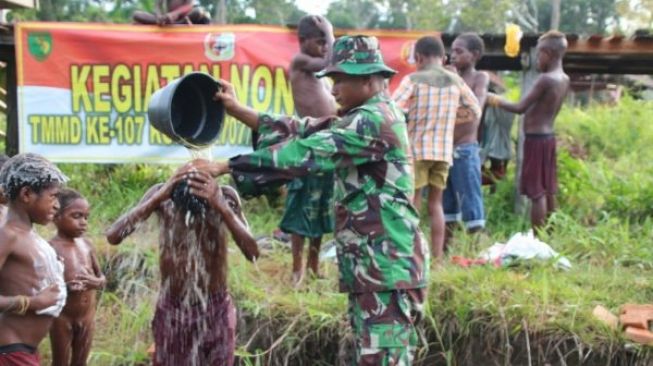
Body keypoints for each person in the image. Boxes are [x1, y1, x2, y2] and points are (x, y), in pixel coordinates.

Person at [198, 35, 429, 365]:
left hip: (388, 273)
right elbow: (301, 129)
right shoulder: (365, 115)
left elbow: (304, 153)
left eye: (340, 80)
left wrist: (225, 166)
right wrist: (238, 110)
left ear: (367, 78)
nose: (332, 89)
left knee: (386, 359)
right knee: (373, 357)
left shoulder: (372, 121)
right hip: (376, 271)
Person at [105, 165, 259, 366]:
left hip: (215, 306)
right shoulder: (162, 195)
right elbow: (114, 236)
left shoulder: (225, 196)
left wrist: (221, 206)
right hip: (173, 307)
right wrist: (157, 198)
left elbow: (253, 253)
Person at [392, 36, 479, 259]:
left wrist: (408, 119)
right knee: (436, 205)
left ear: (419, 58)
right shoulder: (456, 81)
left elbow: (393, 109)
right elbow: (475, 109)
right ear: (443, 58)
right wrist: (452, 118)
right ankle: (438, 258)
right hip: (443, 153)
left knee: (414, 203)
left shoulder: (413, 79)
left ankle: (413, 255)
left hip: (417, 151)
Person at [488, 30, 570, 232]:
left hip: (535, 140)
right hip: (548, 138)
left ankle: (538, 240)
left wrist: (493, 99)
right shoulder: (564, 78)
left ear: (548, 53)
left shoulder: (546, 80)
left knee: (536, 192)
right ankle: (550, 235)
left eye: (539, 55)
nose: (537, 60)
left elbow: (520, 107)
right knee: (548, 189)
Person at [283, 14, 337, 285]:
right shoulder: (300, 61)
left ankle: (314, 265)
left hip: (327, 144)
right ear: (302, 41)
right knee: (301, 206)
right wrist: (331, 33)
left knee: (322, 207)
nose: (326, 47)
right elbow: (329, 62)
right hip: (307, 142)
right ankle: (297, 269)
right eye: (321, 42)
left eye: (326, 42)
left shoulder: (321, 75)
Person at [0, 153, 68, 365]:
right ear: (27, 194)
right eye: (53, 196)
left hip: (25, 350)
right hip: (10, 351)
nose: (57, 205)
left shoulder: (29, 235)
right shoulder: (7, 236)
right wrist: (32, 303)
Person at [49, 188, 106, 366]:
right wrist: (66, 288)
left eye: (86, 217)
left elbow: (102, 278)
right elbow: (43, 286)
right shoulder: (50, 248)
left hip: (87, 317)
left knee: (81, 361)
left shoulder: (86, 245)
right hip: (62, 318)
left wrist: (96, 282)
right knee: (60, 361)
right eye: (76, 216)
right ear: (56, 217)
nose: (83, 223)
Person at [442, 33, 487, 244]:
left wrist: (455, 80)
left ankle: (476, 251)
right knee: (446, 204)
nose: (453, 55)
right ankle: (443, 252)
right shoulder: (446, 78)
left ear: (475, 55)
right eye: (452, 50)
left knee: (471, 201)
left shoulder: (479, 78)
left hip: (465, 149)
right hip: (444, 149)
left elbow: (476, 106)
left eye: (459, 51)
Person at [133, 0, 210, 25]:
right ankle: (176, 24)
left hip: (185, 17)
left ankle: (178, 24)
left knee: (198, 12)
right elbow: (157, 5)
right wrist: (159, 16)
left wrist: (175, 13)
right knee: (136, 14)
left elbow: (189, 5)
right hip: (167, 19)